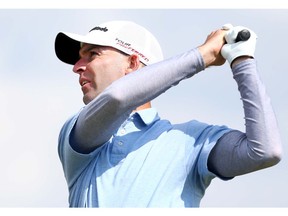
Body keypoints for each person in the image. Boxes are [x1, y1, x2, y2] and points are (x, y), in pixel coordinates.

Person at [54, 20, 282, 207]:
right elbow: (117, 98)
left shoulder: (193, 141)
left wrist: (241, 60)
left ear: (133, 63)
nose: (77, 67)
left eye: (92, 54)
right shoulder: (76, 131)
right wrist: (203, 55)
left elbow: (264, 151)